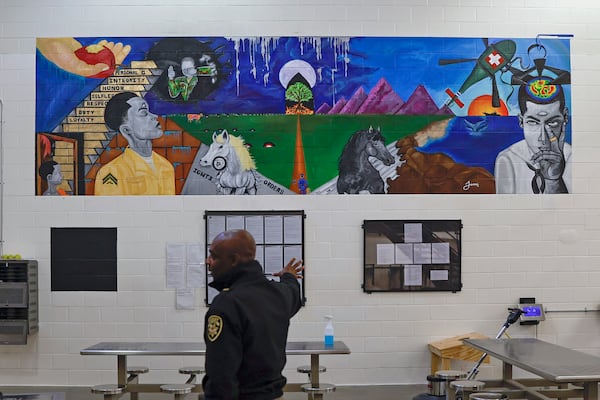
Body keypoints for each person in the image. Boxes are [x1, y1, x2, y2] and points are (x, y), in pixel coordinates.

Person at [203, 229, 303, 400]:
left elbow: (222, 374)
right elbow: (293, 292)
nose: (208, 261)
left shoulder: (227, 303)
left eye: (213, 256)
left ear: (234, 260)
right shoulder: (279, 294)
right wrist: (289, 276)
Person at [495, 77, 571, 194]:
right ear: (521, 121)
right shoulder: (508, 159)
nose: (543, 137)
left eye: (552, 122)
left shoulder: (572, 158)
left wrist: (554, 181)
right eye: (533, 122)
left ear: (565, 117)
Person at [94, 92, 175, 195]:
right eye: (144, 113)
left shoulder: (166, 166)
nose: (154, 116)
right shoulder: (111, 173)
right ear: (127, 130)